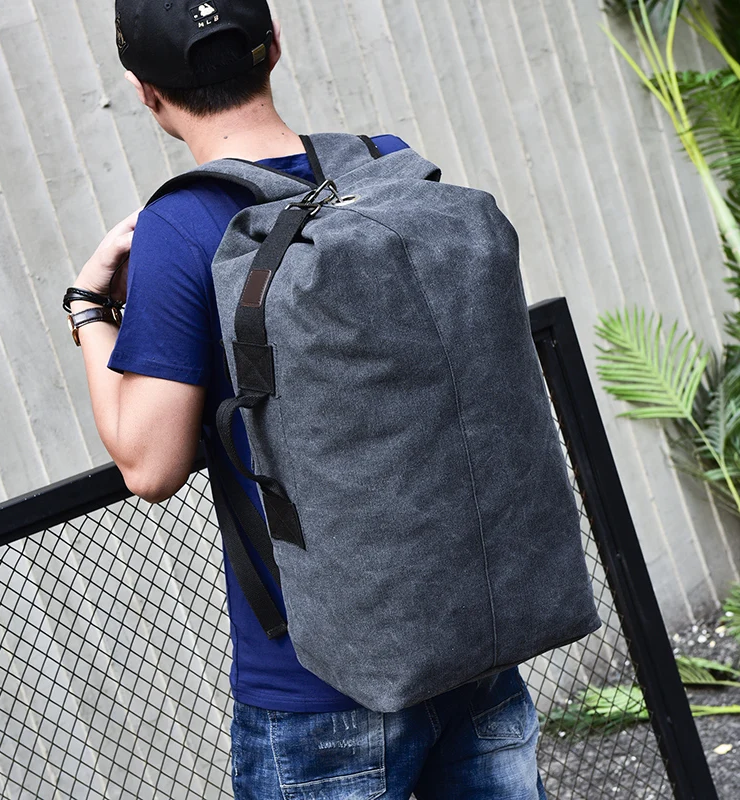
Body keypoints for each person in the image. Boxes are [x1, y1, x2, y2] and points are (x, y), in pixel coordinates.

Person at [65, 1, 548, 797]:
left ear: (146, 90)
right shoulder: (386, 166)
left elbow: (149, 465)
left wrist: (89, 311)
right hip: (469, 637)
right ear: (275, 46)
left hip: (318, 687)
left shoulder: (181, 226)